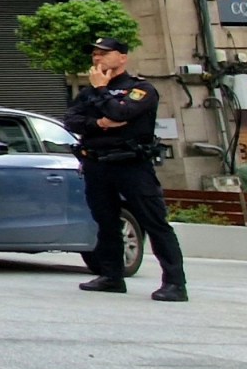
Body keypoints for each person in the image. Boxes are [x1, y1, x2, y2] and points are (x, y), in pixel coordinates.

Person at [64, 36, 186, 301]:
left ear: (122, 57)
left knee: (154, 222)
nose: (97, 58)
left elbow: (122, 113)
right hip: (97, 163)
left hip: (131, 165)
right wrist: (100, 124)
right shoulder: (88, 92)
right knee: (106, 222)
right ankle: (111, 276)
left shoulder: (140, 88)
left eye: (104, 53)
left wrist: (102, 94)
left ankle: (175, 283)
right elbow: (71, 120)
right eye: (95, 54)